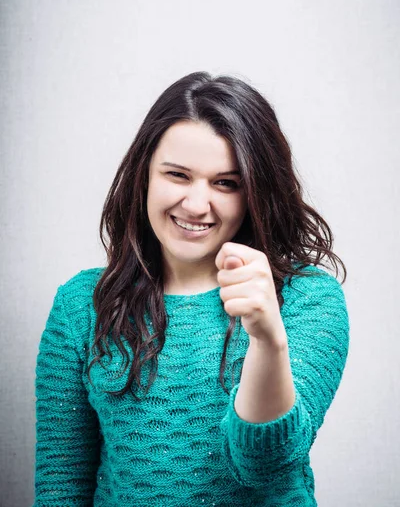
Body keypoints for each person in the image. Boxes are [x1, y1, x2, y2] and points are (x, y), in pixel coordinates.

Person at [33, 71, 350, 506]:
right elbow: (61, 484)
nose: (197, 205)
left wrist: (267, 339)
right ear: (144, 175)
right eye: (178, 175)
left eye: (226, 183)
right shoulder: (81, 305)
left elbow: (266, 465)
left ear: (256, 192)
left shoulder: (308, 299)